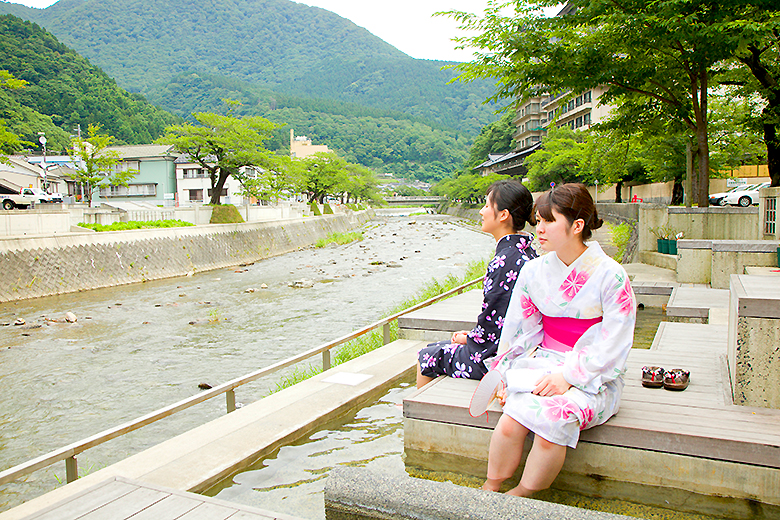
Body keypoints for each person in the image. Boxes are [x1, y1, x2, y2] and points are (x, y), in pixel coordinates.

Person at [483, 183, 636, 496]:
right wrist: (503, 373)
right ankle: (491, 485)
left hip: (593, 374)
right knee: (511, 420)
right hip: (543, 364)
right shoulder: (533, 271)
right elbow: (521, 331)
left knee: (553, 422)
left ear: (577, 226)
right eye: (538, 221)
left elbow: (615, 342)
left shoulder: (612, 275)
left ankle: (523, 494)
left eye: (549, 221)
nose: (539, 229)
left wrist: (569, 376)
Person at [416, 180, 538, 388]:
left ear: (503, 215)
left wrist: (470, 339)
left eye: (487, 205)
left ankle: (416, 411)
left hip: (497, 356)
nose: (481, 211)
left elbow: (495, 321)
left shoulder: (505, 261)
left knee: (426, 355)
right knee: (441, 346)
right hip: (523, 344)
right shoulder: (526, 251)